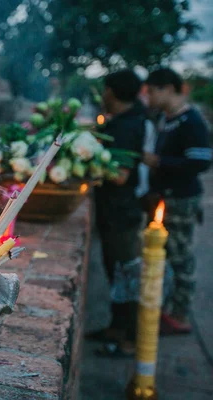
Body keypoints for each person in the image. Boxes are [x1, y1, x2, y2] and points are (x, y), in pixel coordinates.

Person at [144, 68, 211, 334]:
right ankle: (166, 309)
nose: (148, 98)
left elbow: (201, 161)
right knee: (166, 255)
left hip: (182, 200)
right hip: (165, 198)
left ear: (168, 89)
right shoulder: (166, 118)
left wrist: (160, 162)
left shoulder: (191, 121)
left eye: (151, 92)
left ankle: (180, 315)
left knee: (181, 257)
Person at [94, 69, 146, 357]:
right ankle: (115, 329)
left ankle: (129, 341)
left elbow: (121, 175)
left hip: (122, 215)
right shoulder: (123, 122)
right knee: (115, 274)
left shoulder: (127, 126)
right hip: (113, 212)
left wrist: (89, 159)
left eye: (105, 90)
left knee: (126, 277)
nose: (103, 95)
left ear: (112, 91)